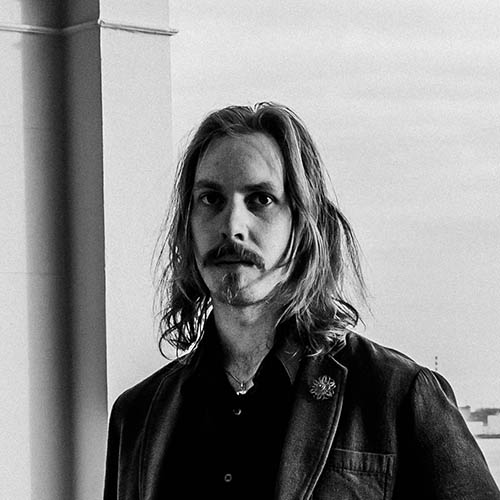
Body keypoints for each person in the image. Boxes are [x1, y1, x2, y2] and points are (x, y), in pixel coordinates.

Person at [103, 103, 500, 499]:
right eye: (210, 199)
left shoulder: (398, 397)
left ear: (303, 224)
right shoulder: (137, 417)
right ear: (187, 223)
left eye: (260, 199)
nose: (232, 226)